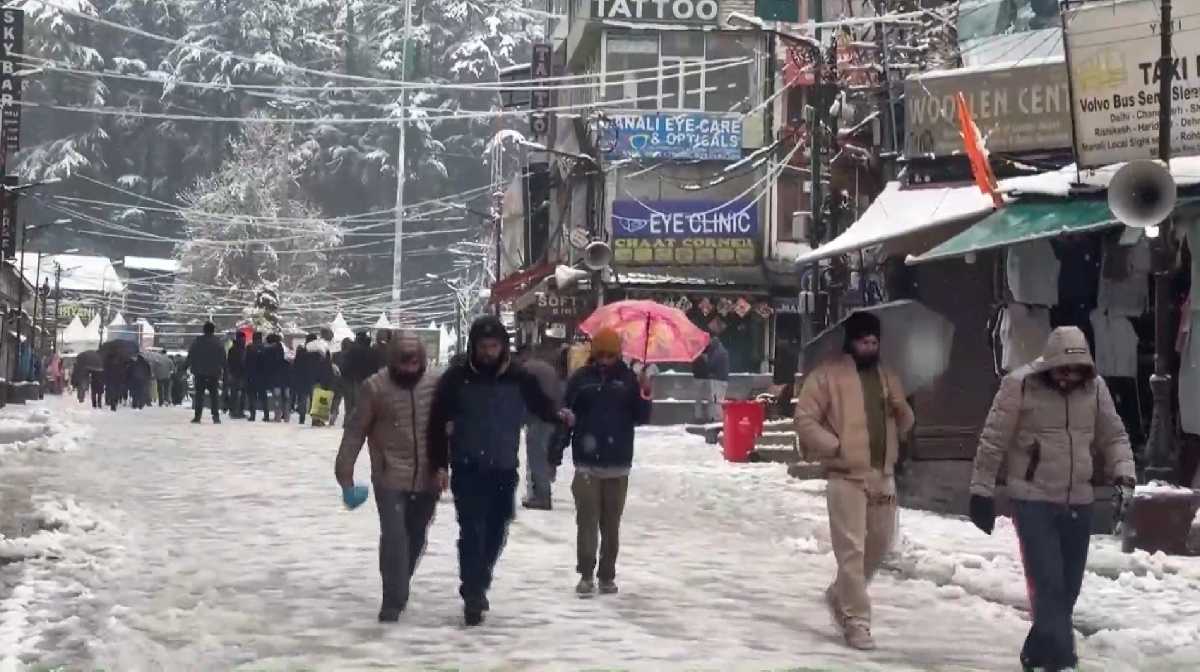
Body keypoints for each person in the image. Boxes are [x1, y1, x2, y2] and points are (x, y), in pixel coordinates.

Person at [969, 326, 1135, 672]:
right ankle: (1063, 661)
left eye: (1075, 371)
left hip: (1079, 499)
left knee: (1068, 589)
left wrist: (1124, 476)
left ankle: (1036, 652)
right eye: (1062, 369)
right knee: (1048, 585)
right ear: (1050, 363)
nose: (1067, 377)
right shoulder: (1019, 385)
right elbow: (993, 440)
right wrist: (981, 490)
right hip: (1033, 499)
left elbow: (1114, 436)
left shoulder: (1095, 388)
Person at [428, 315, 561, 626]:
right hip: (468, 466)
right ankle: (473, 591)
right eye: (483, 346)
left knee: (497, 530)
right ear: (473, 347)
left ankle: (481, 576)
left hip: (503, 467)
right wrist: (439, 464)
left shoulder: (518, 377)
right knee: (472, 530)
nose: (489, 352)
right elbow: (436, 423)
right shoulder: (456, 378)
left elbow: (542, 406)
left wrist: (560, 415)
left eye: (494, 346)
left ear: (503, 346)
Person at [794, 311, 914, 651]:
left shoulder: (887, 376)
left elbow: (905, 424)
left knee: (880, 545)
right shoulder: (827, 375)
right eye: (864, 341)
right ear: (851, 341)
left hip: (882, 474)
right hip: (845, 475)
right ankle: (856, 621)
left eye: (875, 342)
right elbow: (804, 419)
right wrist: (834, 446)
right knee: (852, 550)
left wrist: (901, 407)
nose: (870, 347)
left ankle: (840, 594)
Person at [335, 332, 448, 622]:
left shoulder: (435, 384)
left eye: (415, 362)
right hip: (389, 476)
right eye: (404, 362)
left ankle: (400, 579)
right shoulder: (375, 388)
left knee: (417, 535)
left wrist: (445, 466)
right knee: (395, 537)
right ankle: (393, 599)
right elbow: (355, 431)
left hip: (427, 476)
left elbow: (448, 427)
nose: (410, 368)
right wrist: (345, 475)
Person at [551, 328, 652, 597]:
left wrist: (644, 391)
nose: (605, 360)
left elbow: (641, 417)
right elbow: (566, 416)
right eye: (601, 354)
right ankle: (586, 574)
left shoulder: (629, 380)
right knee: (587, 522)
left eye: (611, 355)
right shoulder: (581, 379)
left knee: (611, 525)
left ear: (618, 354)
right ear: (594, 354)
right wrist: (556, 450)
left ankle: (607, 575)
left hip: (618, 463)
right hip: (586, 463)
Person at [515, 344, 564, 510]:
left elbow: (524, 397)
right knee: (541, 455)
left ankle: (541, 496)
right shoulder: (548, 368)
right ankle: (539, 494)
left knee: (537, 457)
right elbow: (558, 393)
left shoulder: (526, 370)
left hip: (538, 417)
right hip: (552, 416)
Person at [186, 322, 227, 424]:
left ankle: (197, 416)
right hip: (214, 373)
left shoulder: (197, 342)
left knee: (199, 395)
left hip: (200, 373)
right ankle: (216, 417)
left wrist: (184, 367)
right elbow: (223, 358)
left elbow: (191, 356)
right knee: (214, 395)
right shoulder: (218, 342)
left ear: (204, 330)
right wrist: (225, 370)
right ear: (213, 330)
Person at [692, 334, 730, 423]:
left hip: (718, 380)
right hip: (720, 379)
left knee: (716, 400)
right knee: (716, 400)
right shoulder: (721, 351)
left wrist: (706, 359)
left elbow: (712, 365)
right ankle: (715, 417)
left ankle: (717, 419)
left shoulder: (717, 352)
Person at [226, 332, 248, 418]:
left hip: (236, 374)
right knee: (238, 394)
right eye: (242, 338)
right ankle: (237, 411)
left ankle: (235, 411)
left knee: (237, 394)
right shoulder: (241, 349)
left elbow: (229, 362)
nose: (244, 340)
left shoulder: (233, 349)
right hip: (238, 374)